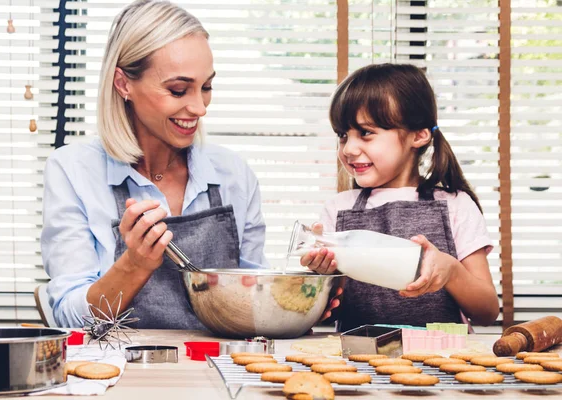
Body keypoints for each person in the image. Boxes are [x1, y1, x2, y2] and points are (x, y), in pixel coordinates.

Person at [41, 0, 270, 329]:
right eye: (178, 90)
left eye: (206, 87)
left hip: (218, 374)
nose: (199, 107)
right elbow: (70, 316)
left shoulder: (233, 174)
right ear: (123, 84)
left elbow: (256, 298)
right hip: (124, 375)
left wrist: (310, 292)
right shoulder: (72, 171)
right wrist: (134, 264)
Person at [300, 63, 499, 331]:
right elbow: (322, 312)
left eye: (366, 133)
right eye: (343, 135)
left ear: (418, 135)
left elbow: (487, 312)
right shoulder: (337, 210)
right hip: (358, 363)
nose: (348, 148)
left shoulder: (455, 206)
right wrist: (319, 281)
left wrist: (451, 272)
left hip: (441, 363)